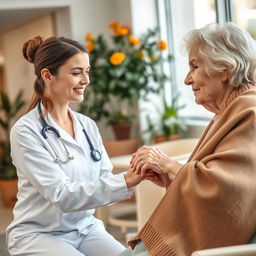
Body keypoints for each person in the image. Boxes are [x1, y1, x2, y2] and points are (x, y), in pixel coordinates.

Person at [119, 22, 256, 256]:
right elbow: (213, 178)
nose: (186, 79)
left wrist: (167, 165)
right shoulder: (230, 110)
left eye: (195, 67)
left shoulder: (249, 110)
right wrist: (171, 177)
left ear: (225, 68)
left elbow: (227, 190)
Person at [6, 35, 143, 256]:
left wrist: (139, 172)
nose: (86, 80)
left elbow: (105, 180)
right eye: (76, 72)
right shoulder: (26, 131)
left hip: (86, 229)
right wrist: (128, 179)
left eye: (87, 72)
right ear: (47, 75)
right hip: (39, 235)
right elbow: (62, 195)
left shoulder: (87, 126)